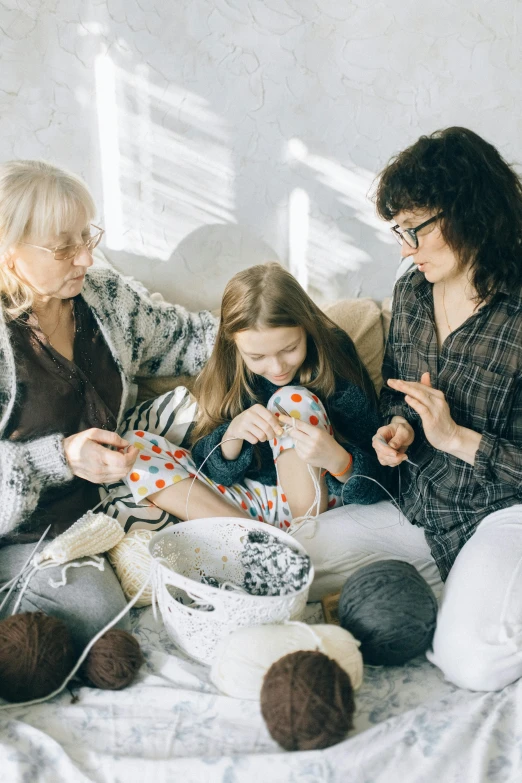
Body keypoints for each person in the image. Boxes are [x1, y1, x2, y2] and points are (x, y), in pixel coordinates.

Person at [301, 127, 521, 692]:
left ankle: (476, 598)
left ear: (468, 211)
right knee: (285, 559)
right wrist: (397, 427)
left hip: (504, 512)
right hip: (420, 504)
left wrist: (459, 440)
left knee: (471, 662)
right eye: (399, 232)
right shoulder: (413, 293)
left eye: (414, 230)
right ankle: (463, 590)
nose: (405, 248)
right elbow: (400, 393)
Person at [0, 160, 217, 658]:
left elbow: (189, 338)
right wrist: (59, 458)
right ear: (10, 255)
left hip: (100, 514)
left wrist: (273, 332)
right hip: (20, 531)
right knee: (97, 609)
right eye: (63, 247)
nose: (84, 258)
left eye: (87, 236)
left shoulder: (106, 300)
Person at [120, 262, 384, 529]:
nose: (277, 367)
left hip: (324, 502)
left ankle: (305, 535)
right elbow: (213, 469)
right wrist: (231, 437)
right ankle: (262, 539)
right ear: (234, 344)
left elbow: (382, 476)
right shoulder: (231, 365)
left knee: (292, 399)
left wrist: (339, 460)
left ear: (307, 329)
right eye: (257, 357)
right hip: (250, 503)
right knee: (131, 449)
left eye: (289, 348)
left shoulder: (334, 353)